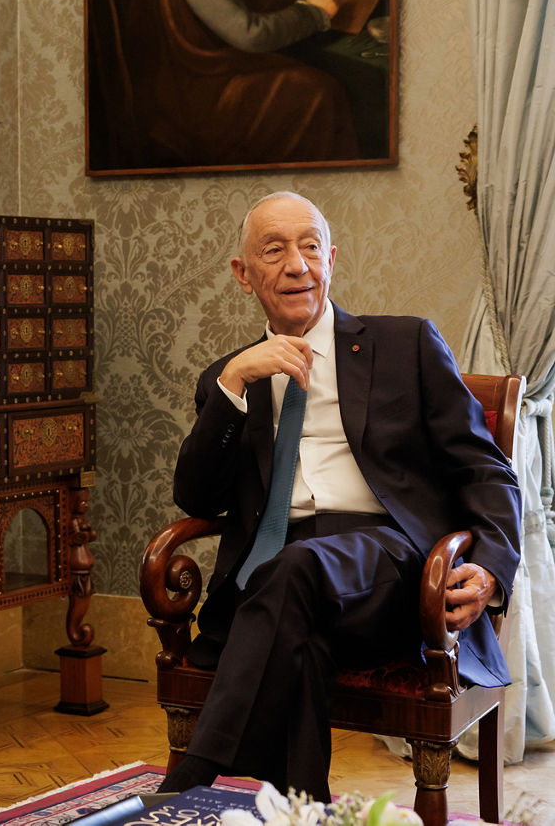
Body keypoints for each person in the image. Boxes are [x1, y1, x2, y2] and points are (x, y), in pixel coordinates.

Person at [158, 192, 522, 800]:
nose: (297, 266)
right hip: (286, 584)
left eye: (310, 247)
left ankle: (192, 776)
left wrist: (489, 566)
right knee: (296, 625)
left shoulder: (404, 345)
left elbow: (485, 469)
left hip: (392, 561)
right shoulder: (230, 376)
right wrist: (232, 384)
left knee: (294, 569)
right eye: (274, 251)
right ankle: (306, 808)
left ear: (331, 258)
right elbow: (196, 495)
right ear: (243, 275)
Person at [118, 0, 358, 168]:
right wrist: (314, 13)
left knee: (314, 78)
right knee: (317, 91)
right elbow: (249, 35)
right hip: (196, 97)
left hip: (216, 72)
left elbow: (260, 8)